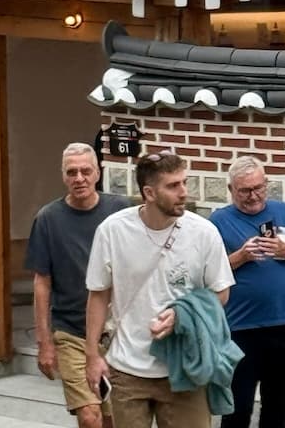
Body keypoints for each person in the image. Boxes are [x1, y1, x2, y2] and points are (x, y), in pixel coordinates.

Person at [85, 150, 234, 428]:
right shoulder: (112, 230)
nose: (183, 192)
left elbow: (221, 292)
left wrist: (182, 316)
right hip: (127, 369)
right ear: (149, 193)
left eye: (184, 182)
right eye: (173, 185)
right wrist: (92, 356)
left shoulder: (204, 232)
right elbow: (98, 294)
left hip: (186, 366)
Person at [209, 156, 285, 428]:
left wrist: (284, 250)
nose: (253, 195)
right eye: (245, 190)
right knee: (238, 411)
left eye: (259, 187)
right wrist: (241, 256)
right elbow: (207, 272)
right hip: (240, 331)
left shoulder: (282, 211)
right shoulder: (218, 221)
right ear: (231, 190)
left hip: (281, 328)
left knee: (277, 410)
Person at [25, 142, 130, 428]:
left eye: (85, 171)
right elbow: (42, 283)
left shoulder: (120, 210)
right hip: (70, 331)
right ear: (63, 176)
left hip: (115, 331)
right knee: (90, 415)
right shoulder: (48, 218)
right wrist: (44, 342)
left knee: (114, 417)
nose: (79, 178)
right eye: (72, 172)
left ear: (98, 173)